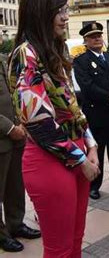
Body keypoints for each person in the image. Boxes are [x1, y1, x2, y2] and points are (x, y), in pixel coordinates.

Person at [7, 0, 100, 257]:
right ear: (40, 12)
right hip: (50, 162)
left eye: (65, 9)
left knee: (75, 242)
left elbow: (73, 108)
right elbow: (39, 122)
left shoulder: (56, 52)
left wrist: (91, 145)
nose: (65, 16)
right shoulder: (25, 54)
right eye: (59, 10)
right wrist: (81, 159)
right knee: (59, 250)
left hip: (77, 153)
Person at [73, 22, 109, 199]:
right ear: (85, 40)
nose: (97, 39)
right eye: (92, 37)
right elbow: (87, 87)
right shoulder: (81, 61)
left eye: (99, 35)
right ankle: (94, 184)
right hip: (97, 113)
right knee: (97, 150)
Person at [0, 53, 41, 253]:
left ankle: (15, 224)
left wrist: (21, 122)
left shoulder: (4, 59)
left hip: (16, 136)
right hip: (4, 134)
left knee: (16, 186)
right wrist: (9, 127)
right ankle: (1, 235)